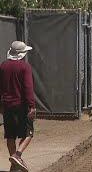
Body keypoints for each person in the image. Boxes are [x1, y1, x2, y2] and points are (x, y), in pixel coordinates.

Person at [0, 41, 36, 172]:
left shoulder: (3, 66)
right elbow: (28, 88)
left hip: (7, 106)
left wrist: (1, 105)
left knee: (10, 136)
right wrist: (32, 106)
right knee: (28, 133)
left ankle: (13, 166)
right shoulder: (25, 67)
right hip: (21, 106)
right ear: (21, 54)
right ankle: (17, 155)